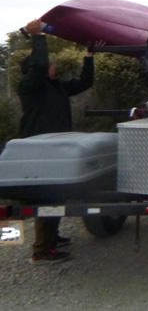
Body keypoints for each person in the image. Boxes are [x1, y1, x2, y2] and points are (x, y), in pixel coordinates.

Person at [18, 19, 96, 264]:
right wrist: (38, 36)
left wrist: (89, 56)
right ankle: (42, 251)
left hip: (56, 147)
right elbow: (40, 64)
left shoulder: (56, 87)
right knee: (46, 198)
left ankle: (52, 237)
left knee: (55, 196)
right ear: (36, 70)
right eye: (48, 65)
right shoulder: (31, 86)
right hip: (40, 149)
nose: (52, 67)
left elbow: (84, 83)